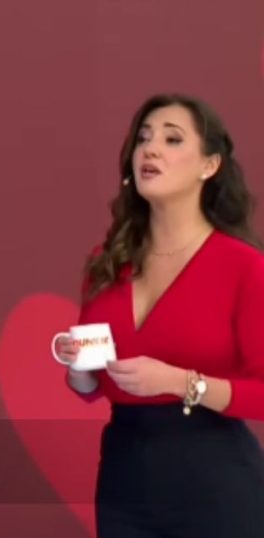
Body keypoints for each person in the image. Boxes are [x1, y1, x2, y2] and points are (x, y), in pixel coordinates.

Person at [55, 93, 264, 537]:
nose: (150, 149)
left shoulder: (244, 266)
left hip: (215, 480)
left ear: (209, 165)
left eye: (172, 140)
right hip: (124, 478)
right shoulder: (107, 260)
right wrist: (79, 370)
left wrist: (180, 382)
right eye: (143, 139)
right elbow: (93, 386)